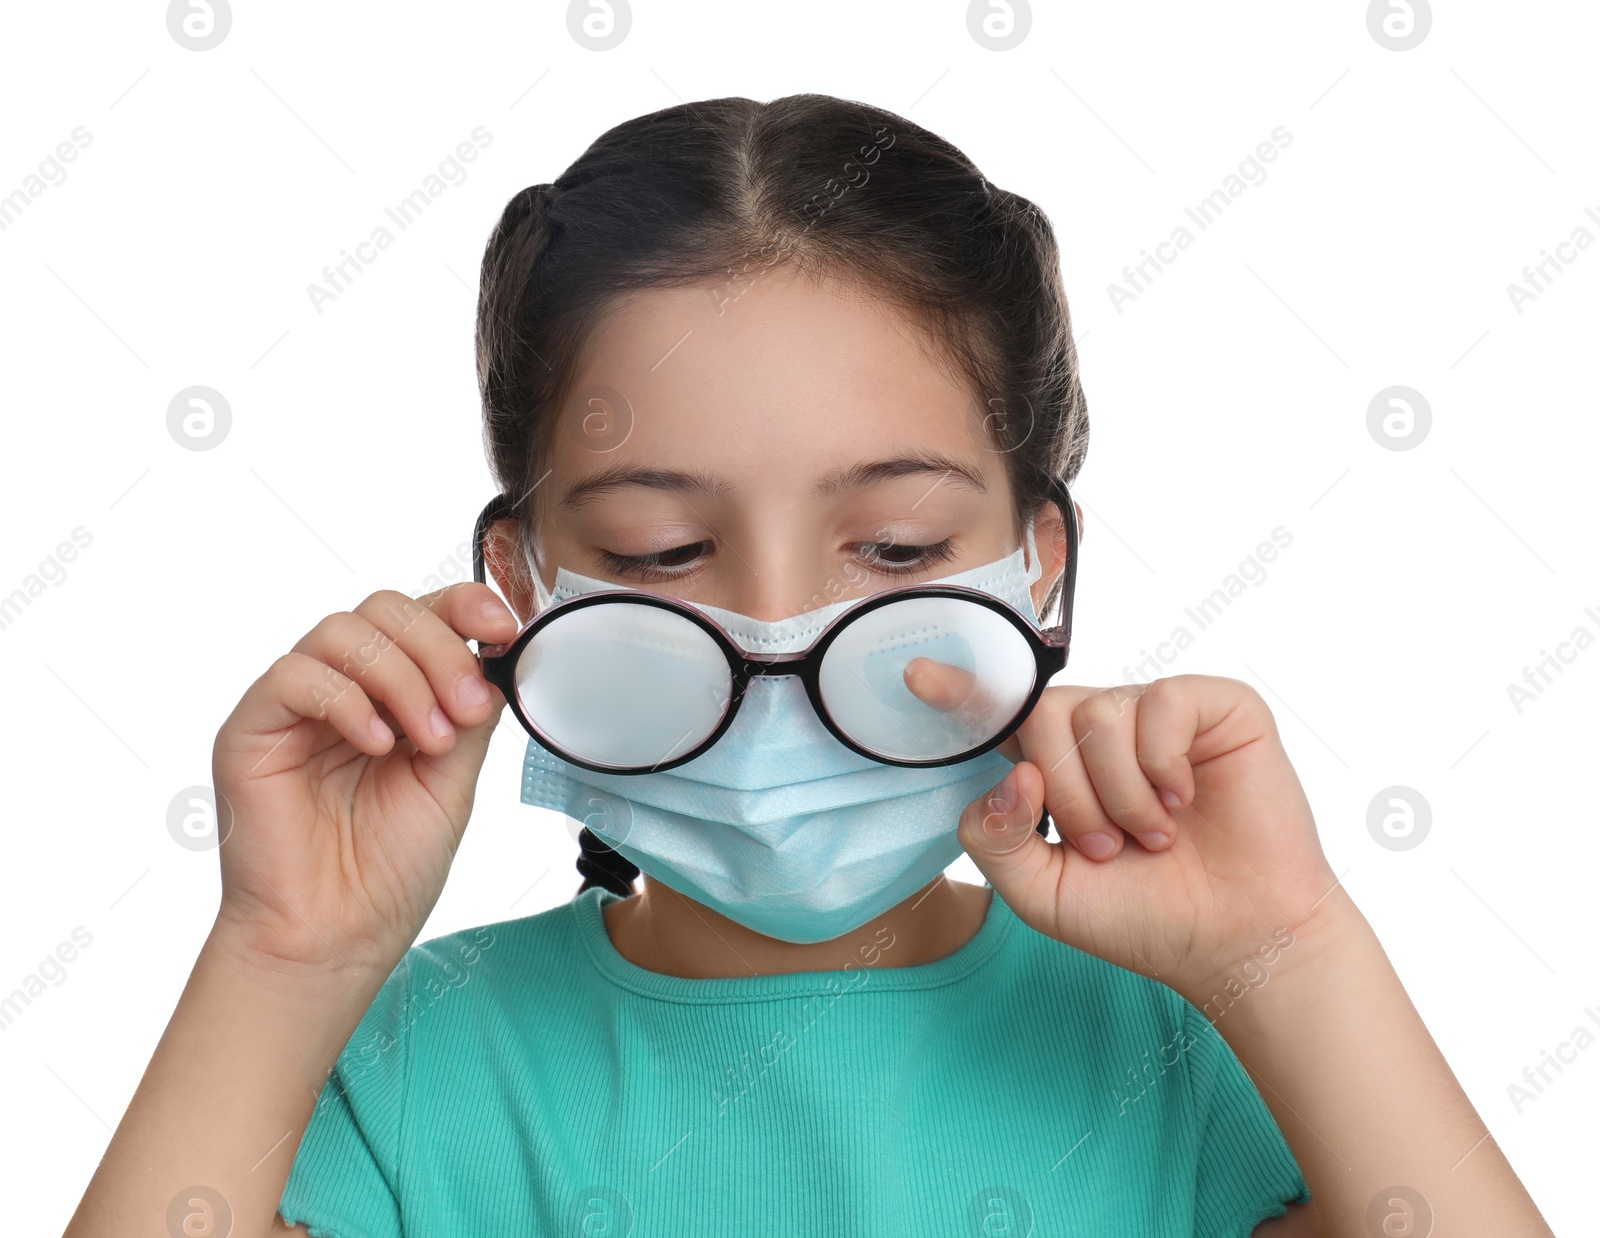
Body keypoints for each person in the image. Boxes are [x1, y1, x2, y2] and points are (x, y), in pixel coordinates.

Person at [63, 93, 1551, 1237]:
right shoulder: (399, 1068)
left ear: (1039, 562)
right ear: (519, 581)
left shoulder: (1184, 1045)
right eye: (659, 551)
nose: (775, 637)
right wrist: (283, 955)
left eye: (895, 548)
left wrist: (1291, 951)